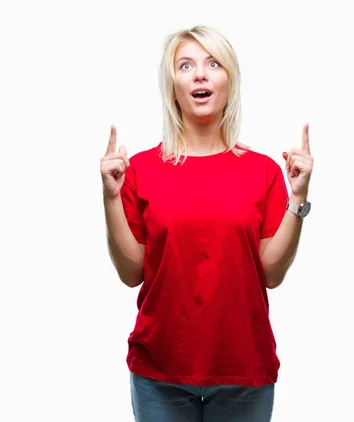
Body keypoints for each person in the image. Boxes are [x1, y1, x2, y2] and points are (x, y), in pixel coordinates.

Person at [100, 25, 313, 422]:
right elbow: (131, 272)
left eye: (213, 63)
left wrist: (296, 198)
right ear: (173, 87)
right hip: (159, 370)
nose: (200, 74)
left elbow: (271, 273)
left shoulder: (262, 171)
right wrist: (111, 198)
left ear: (228, 81)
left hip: (242, 368)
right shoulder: (140, 170)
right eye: (186, 65)